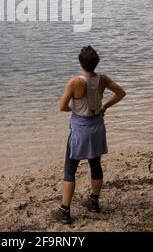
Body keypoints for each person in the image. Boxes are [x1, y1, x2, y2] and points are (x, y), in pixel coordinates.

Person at [53, 45, 126, 224]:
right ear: (96, 63)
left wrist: (75, 109)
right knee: (95, 164)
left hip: (80, 129)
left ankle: (65, 211)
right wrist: (104, 107)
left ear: (81, 62)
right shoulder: (102, 79)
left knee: (70, 170)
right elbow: (121, 93)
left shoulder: (74, 82)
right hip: (97, 127)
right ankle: (93, 201)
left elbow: (62, 107)